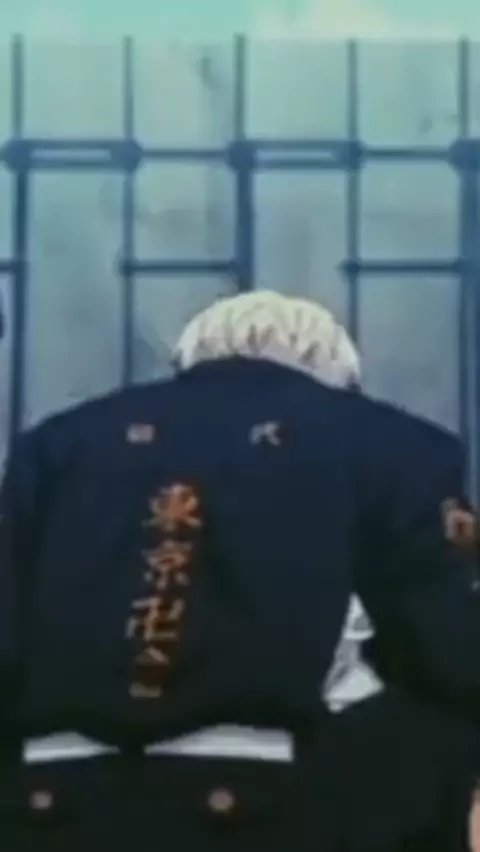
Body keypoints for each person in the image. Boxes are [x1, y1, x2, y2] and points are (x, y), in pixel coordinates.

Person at [1, 289, 480, 852]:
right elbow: (447, 646)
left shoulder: (54, 444)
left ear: (188, 360)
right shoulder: (388, 440)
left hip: (50, 798)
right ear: (338, 375)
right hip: (272, 801)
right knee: (443, 722)